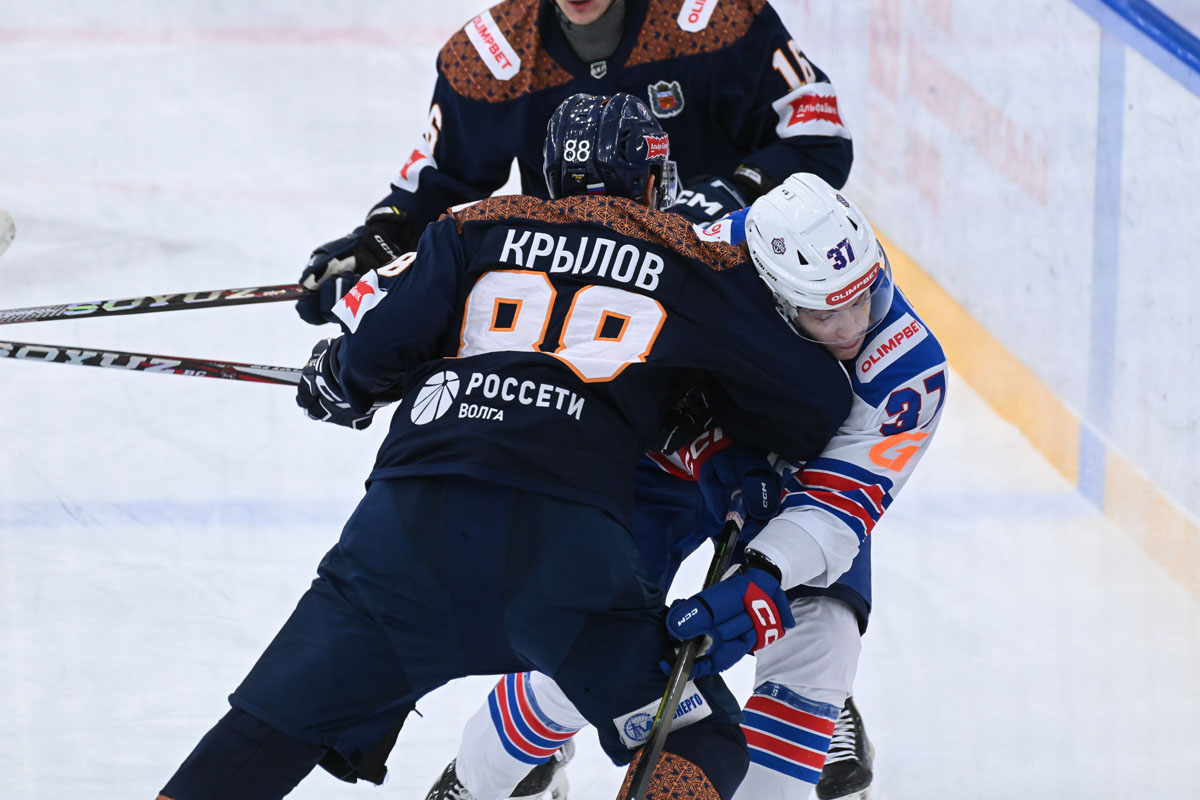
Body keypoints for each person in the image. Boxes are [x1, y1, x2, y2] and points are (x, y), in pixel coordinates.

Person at [156, 93, 854, 800]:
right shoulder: (693, 257)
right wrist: (695, 410)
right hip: (565, 554)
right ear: (652, 181)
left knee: (264, 737)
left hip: (405, 534)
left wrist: (338, 377)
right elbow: (815, 405)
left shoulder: (471, 226)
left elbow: (373, 356)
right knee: (699, 738)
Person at [424, 173, 947, 800]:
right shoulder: (690, 271)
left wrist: (765, 571)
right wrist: (705, 443)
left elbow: (841, 505)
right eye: (825, 313)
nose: (854, 326)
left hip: (800, 486)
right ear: (775, 300)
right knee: (585, 649)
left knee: (823, 644)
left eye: (864, 297)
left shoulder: (909, 368)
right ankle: (474, 781)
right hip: (671, 471)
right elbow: (607, 389)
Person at [294, 0, 854, 326]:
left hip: (729, 292)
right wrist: (380, 241)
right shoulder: (489, 55)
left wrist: (732, 194)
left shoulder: (716, 17)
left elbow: (818, 137)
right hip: (587, 315)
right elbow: (434, 188)